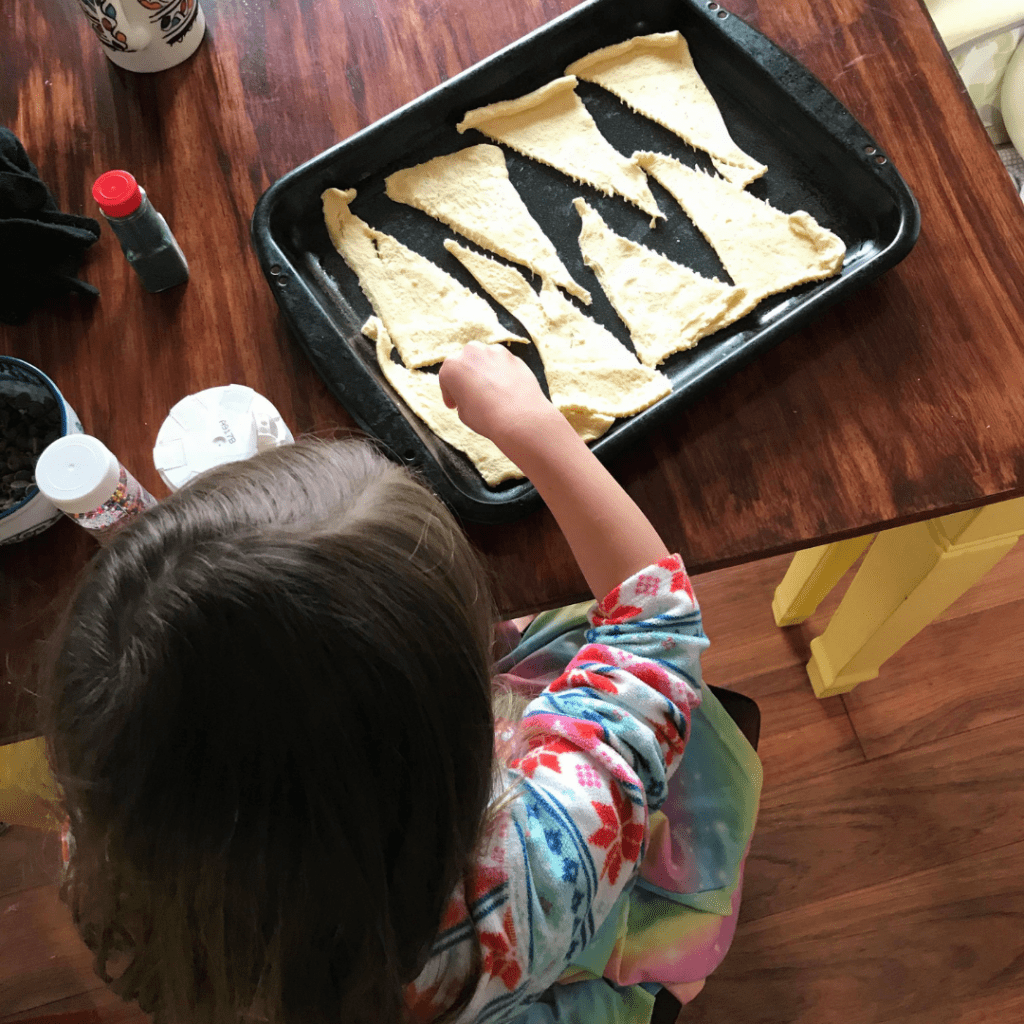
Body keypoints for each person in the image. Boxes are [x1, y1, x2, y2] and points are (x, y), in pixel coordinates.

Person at [43, 342, 762, 1024]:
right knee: (681, 882)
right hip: (514, 980)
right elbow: (654, 633)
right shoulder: (537, 868)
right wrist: (535, 428)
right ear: (449, 738)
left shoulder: (117, 856)